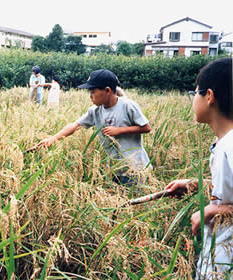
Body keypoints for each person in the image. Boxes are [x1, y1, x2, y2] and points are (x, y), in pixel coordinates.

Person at [164, 57, 233, 279]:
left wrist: (215, 210)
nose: (193, 99)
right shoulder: (223, 143)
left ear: (209, 96)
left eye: (195, 92)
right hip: (219, 256)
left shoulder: (231, 146)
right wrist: (194, 185)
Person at [38, 69, 151, 186]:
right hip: (113, 169)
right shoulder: (95, 111)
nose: (90, 96)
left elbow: (146, 127)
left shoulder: (127, 105)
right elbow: (74, 125)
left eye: (93, 92)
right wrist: (53, 139)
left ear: (107, 90)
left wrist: (120, 130)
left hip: (135, 169)